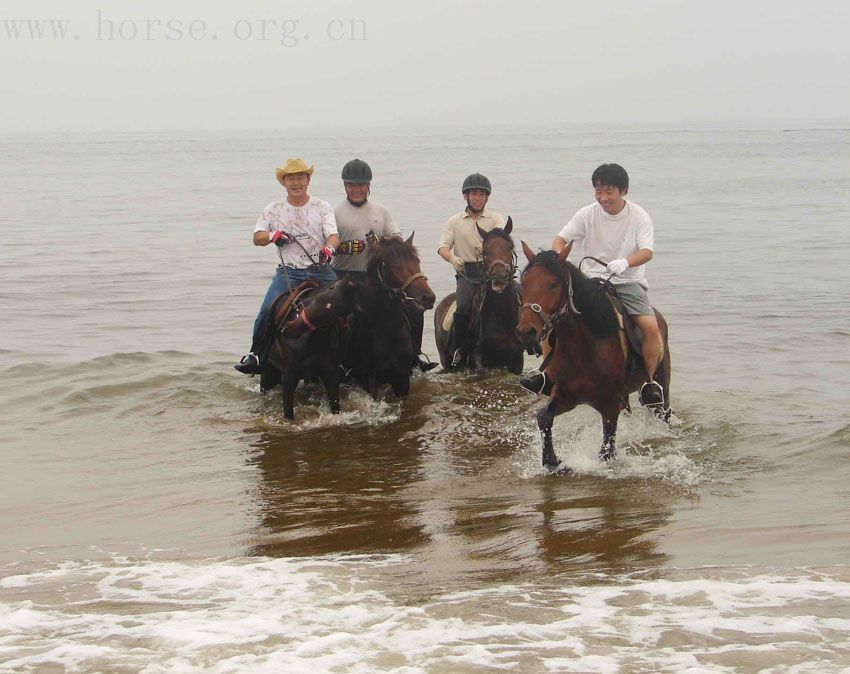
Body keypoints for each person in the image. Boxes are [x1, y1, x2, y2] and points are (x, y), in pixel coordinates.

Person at [522, 163, 665, 406]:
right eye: (598, 191)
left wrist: (625, 262)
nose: (603, 197)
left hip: (627, 281)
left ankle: (650, 383)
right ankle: (546, 375)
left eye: (609, 191)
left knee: (651, 328)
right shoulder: (587, 213)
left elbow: (647, 251)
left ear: (623, 190)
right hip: (591, 281)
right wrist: (557, 255)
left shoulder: (639, 216)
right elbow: (561, 238)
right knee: (554, 318)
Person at [234, 157, 340, 374]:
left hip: (320, 270)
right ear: (283, 182)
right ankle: (256, 354)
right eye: (291, 177)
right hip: (289, 273)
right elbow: (257, 237)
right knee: (266, 309)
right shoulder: (273, 209)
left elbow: (333, 235)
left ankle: (352, 357)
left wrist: (329, 248)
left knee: (349, 303)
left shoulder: (322, 207)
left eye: (300, 176)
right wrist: (274, 235)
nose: (296, 182)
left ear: (308, 179)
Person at [332, 158, 436, 371]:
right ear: (345, 187)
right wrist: (343, 247)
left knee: (413, 309)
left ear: (368, 186)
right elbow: (326, 243)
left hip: (377, 278)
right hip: (345, 274)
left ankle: (414, 356)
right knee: (340, 316)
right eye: (352, 185)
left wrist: (381, 245)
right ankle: (337, 361)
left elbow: (396, 237)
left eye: (361, 185)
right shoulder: (335, 213)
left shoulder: (381, 211)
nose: (357, 189)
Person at [437, 173, 504, 367]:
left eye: (482, 195)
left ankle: (526, 342)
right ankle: (459, 349)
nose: (478, 198)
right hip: (466, 273)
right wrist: (452, 259)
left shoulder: (495, 219)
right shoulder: (455, 222)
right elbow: (442, 247)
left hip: (490, 270)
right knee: (464, 306)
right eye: (474, 194)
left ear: (487, 197)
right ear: (465, 196)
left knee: (517, 296)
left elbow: (499, 239)